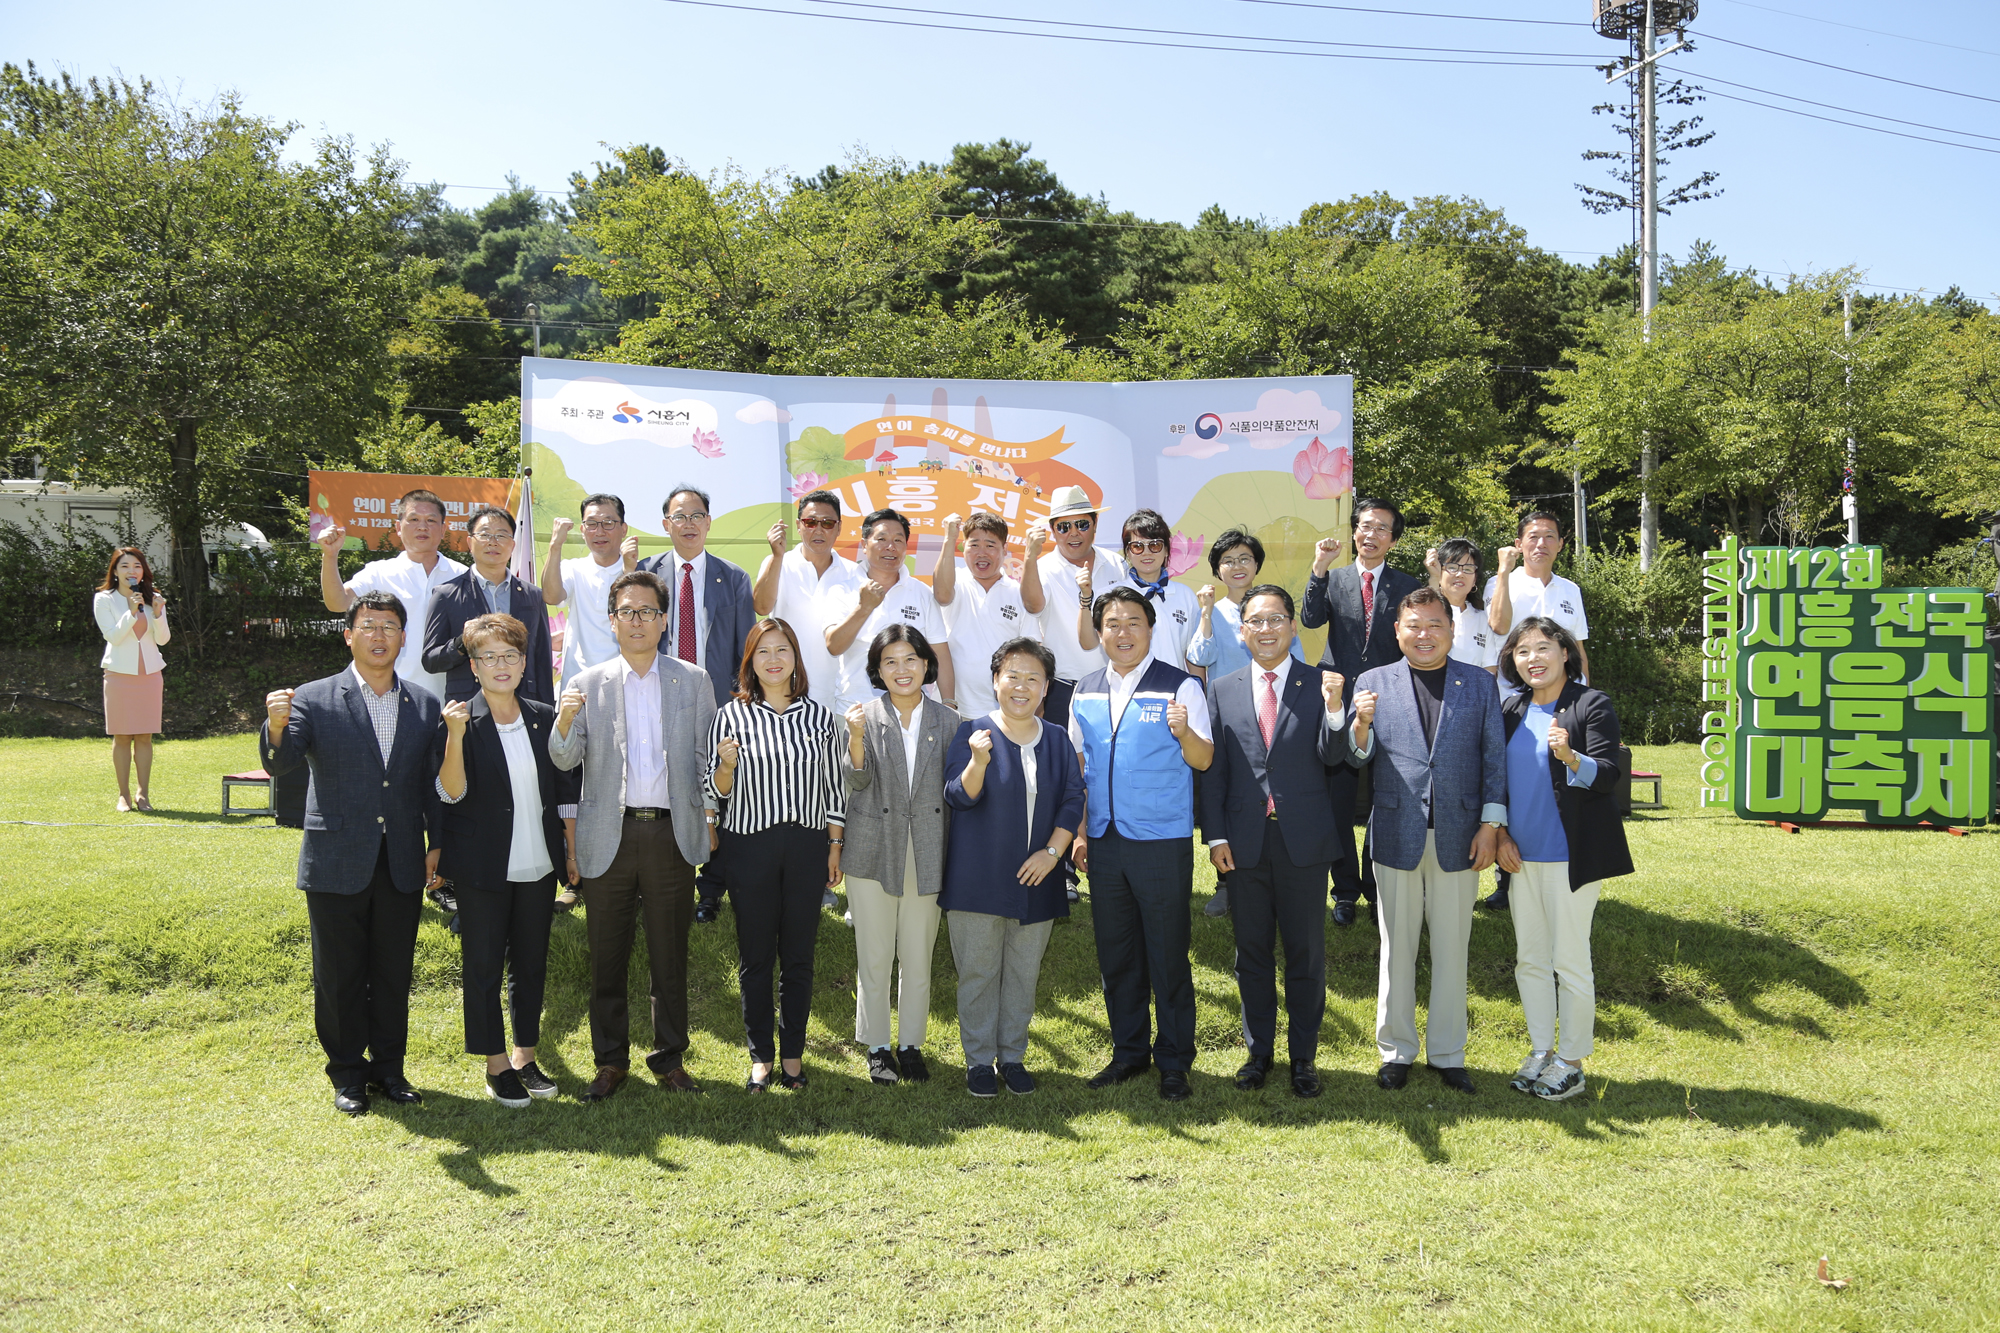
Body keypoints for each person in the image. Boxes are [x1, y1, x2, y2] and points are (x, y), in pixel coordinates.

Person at [260, 591, 443, 1116]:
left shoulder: (423, 704)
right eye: (368, 625)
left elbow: (431, 785)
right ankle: (347, 1074)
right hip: (336, 856)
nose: (379, 634)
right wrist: (275, 725)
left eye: (389, 626)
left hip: (403, 857)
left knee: (392, 970)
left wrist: (439, 844)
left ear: (403, 637)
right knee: (338, 973)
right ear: (349, 634)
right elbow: (282, 762)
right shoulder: (314, 698)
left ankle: (389, 1070)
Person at [547, 570, 717, 1102]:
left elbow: (705, 757)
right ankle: (610, 1060)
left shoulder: (693, 679)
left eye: (648, 611)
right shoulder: (585, 683)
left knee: (670, 954)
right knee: (607, 954)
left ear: (664, 620)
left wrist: (709, 818)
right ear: (612, 620)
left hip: (670, 834)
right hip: (608, 835)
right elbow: (563, 759)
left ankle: (669, 1059)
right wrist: (564, 723)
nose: (638, 620)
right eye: (627, 611)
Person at [1345, 587, 1508, 1097]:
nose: (1424, 634)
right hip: (1395, 831)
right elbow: (1355, 758)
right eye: (1413, 625)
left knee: (1453, 948)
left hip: (1461, 835)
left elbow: (1493, 758)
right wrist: (1361, 724)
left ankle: (1448, 1053)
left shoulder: (1479, 685)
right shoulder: (1372, 682)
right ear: (1397, 630)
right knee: (1397, 949)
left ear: (1451, 630)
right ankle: (1395, 1051)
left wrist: (1491, 824)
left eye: (1435, 625)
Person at [1202, 586, 1347, 1098]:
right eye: (1256, 621)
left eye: (1277, 619)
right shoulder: (1221, 688)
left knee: (1305, 954)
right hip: (1241, 844)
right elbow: (1214, 770)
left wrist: (1335, 711)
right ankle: (1258, 1052)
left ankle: (1303, 1059)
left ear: (1292, 626)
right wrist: (1215, 835)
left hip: (1304, 842)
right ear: (1242, 631)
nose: (1267, 629)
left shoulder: (1320, 684)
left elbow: (1336, 758)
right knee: (1252, 953)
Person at [1070, 586, 1214, 1102]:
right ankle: (1128, 1052)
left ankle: (1174, 1059)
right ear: (1099, 631)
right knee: (1117, 954)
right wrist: (1081, 830)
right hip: (1105, 841)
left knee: (1168, 953)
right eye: (1112, 623)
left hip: (1160, 840)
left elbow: (1202, 760)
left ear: (1151, 628)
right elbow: (1079, 770)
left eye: (1134, 621)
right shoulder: (1083, 689)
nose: (1123, 632)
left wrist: (1184, 733)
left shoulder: (1180, 687)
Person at [430, 613, 580, 1107]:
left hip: (538, 864)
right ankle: (496, 1065)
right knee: (483, 966)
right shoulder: (458, 719)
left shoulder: (541, 715)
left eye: (510, 655)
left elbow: (562, 788)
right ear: (473, 666)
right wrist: (454, 737)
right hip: (481, 866)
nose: (501, 665)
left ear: (523, 663)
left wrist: (571, 851)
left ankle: (524, 1055)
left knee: (531, 964)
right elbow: (450, 793)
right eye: (489, 656)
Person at [1494, 616, 1632, 1103]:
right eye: (1522, 651)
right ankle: (1539, 1051)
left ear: (1565, 652)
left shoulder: (1590, 704)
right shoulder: (1510, 708)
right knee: (1529, 961)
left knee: (1570, 962)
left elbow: (1610, 775)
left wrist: (1572, 758)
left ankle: (1571, 1062)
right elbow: (1498, 781)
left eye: (1542, 648)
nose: (1532, 658)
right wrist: (1501, 834)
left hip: (1572, 856)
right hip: (1520, 857)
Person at [706, 617, 847, 1093]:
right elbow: (714, 791)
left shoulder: (821, 718)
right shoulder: (730, 716)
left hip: (807, 846)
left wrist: (834, 845)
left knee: (799, 956)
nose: (773, 658)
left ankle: (792, 1056)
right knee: (756, 957)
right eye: (763, 650)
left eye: (782, 649)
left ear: (795, 657)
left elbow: (833, 789)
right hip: (750, 846)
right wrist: (726, 765)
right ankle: (760, 1057)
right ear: (750, 661)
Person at [940, 638, 1083, 1098]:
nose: (1021, 686)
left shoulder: (1058, 739)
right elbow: (959, 797)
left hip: (1038, 879)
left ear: (1046, 689)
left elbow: (1072, 800)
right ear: (996, 680)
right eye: (1012, 676)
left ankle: (1013, 1057)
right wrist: (978, 762)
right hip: (977, 880)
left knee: (1023, 973)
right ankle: (980, 1060)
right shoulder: (973, 732)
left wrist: (1053, 854)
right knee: (979, 972)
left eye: (1033, 678)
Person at [638, 485, 757, 925]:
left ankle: (710, 889)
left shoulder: (734, 576)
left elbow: (747, 646)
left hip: (716, 701)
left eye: (697, 515)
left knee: (717, 790)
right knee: (661, 785)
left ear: (709, 522)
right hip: (657, 695)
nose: (689, 523)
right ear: (665, 523)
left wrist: (740, 702)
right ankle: (660, 881)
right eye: (679, 516)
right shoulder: (646, 573)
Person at [841, 626, 955, 1086]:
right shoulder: (862, 717)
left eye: (910, 659)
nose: (901, 669)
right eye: (890, 661)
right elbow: (856, 782)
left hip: (927, 850)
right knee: (873, 953)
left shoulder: (950, 721)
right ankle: (877, 1046)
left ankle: (910, 1045)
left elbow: (954, 793)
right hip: (872, 850)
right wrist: (853, 738)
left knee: (917, 953)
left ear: (927, 665)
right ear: (877, 670)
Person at [1300, 498, 1419, 927]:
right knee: (1338, 802)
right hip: (1338, 700)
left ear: (1393, 538)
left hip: (1390, 701)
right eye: (1365, 526)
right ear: (1354, 532)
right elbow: (1311, 621)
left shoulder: (1407, 586)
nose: (1371, 535)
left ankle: (1377, 888)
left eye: (1381, 528)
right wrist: (1318, 567)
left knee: (1385, 799)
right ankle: (1345, 891)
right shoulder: (1334, 579)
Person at [1186, 529, 1303, 918]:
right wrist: (1205, 612)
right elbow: (1198, 657)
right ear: (1217, 570)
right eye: (1228, 561)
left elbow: (1297, 659)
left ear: (1257, 565)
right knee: (1227, 794)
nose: (1237, 567)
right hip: (1230, 717)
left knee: (1270, 794)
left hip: (1273, 715)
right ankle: (1226, 883)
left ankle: (1276, 871)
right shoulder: (1213, 612)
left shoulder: (1274, 609)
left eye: (1245, 559)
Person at [1481, 512, 1590, 912]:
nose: (1541, 543)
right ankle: (1505, 879)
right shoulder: (1502, 581)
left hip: (1563, 702)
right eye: (1532, 537)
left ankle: (1565, 863)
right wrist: (1504, 571)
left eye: (1549, 536)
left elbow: (1577, 649)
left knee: (1556, 780)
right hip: (1511, 702)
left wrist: (1587, 701)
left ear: (1561, 544)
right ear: (1520, 543)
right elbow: (1497, 625)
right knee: (1511, 783)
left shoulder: (1570, 590)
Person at [318, 489, 467, 703]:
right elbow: (337, 602)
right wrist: (330, 556)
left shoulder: (462, 575)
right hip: (391, 696)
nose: (422, 526)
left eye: (431, 520)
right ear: (398, 527)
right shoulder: (379, 573)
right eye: (413, 519)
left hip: (452, 698)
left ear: (444, 529)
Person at [826, 507, 957, 714]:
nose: (890, 547)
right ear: (864, 545)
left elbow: (940, 651)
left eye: (898, 540)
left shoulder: (921, 592)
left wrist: (949, 702)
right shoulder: (841, 590)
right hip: (855, 710)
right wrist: (864, 607)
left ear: (906, 547)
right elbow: (834, 646)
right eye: (881, 539)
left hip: (914, 713)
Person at [423, 505, 555, 708]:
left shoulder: (533, 596)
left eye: (501, 536)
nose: (493, 542)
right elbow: (431, 660)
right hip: (469, 708)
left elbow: (542, 661)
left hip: (524, 706)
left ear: (512, 545)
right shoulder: (446, 594)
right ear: (470, 542)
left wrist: (546, 714)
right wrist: (461, 643)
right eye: (484, 535)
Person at [930, 511, 1046, 721]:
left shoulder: (1018, 592)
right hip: (953, 710)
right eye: (974, 545)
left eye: (990, 545)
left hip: (1005, 714)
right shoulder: (953, 582)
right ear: (963, 547)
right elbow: (942, 595)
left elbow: (1033, 654)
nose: (981, 553)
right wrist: (949, 538)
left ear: (1005, 549)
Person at [753, 489, 858, 712]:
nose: (818, 530)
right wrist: (777, 556)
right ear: (799, 525)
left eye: (827, 523)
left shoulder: (855, 573)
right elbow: (761, 607)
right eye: (811, 522)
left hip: (839, 700)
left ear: (839, 527)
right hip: (785, 695)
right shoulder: (778, 562)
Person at [1029, 485, 1123, 728]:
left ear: (1095, 524)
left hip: (1116, 685)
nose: (1073, 533)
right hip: (1063, 690)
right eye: (1063, 526)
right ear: (1052, 530)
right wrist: (1029, 557)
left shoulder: (1117, 563)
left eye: (1082, 524)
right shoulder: (1042, 568)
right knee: (1064, 764)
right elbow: (1032, 606)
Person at [95, 547, 169, 812]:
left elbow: (162, 640)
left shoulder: (153, 599)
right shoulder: (104, 599)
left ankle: (143, 794)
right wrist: (130, 610)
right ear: (115, 571)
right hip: (119, 675)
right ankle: (123, 795)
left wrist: (158, 613)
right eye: (125, 566)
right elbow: (113, 637)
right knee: (123, 736)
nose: (131, 571)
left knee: (145, 736)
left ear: (143, 571)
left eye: (136, 566)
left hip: (150, 675)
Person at [1082, 508, 1198, 676]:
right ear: (1128, 552)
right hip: (1126, 691)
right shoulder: (1109, 595)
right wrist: (1085, 597)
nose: (1147, 553)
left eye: (1155, 545)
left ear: (1166, 550)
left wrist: (1198, 691)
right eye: (1137, 546)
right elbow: (1088, 642)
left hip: (1175, 692)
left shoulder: (1185, 595)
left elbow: (1192, 655)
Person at [541, 493, 639, 686]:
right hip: (578, 681)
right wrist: (555, 545)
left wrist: (629, 571)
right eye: (592, 524)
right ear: (583, 529)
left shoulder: (638, 571)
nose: (599, 531)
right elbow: (551, 596)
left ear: (623, 529)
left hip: (625, 681)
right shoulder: (573, 568)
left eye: (608, 523)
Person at [1426, 538, 1500, 675]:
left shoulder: (1483, 619)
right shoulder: (1424, 612)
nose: (1460, 574)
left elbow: (1489, 669)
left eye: (1468, 569)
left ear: (1475, 580)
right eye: (1452, 567)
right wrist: (1434, 579)